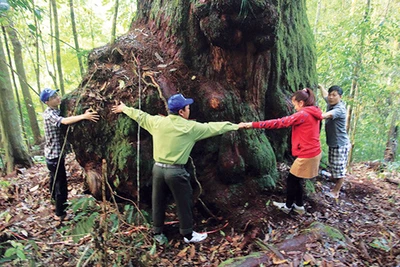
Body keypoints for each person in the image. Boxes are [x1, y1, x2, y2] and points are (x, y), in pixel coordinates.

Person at [111, 93, 239, 243]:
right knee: (184, 201)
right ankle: (188, 235)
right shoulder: (190, 128)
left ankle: (157, 232)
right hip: (175, 172)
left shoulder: (157, 122)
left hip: (158, 169)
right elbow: (213, 127)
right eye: (188, 108)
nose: (189, 110)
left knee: (157, 201)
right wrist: (237, 125)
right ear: (181, 112)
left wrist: (124, 108)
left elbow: (141, 116)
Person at [239, 88, 323, 215]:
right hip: (312, 152)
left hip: (307, 154)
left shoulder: (303, 114)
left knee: (291, 179)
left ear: (301, 103)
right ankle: (299, 206)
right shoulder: (313, 112)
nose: (294, 107)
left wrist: (253, 124)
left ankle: (288, 206)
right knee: (296, 179)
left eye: (294, 104)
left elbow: (279, 123)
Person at [40, 88, 99, 221]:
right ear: (47, 102)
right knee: (60, 183)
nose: (57, 97)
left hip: (55, 154)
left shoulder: (56, 110)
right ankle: (60, 214)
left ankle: (55, 203)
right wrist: (84, 116)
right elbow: (65, 121)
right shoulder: (49, 114)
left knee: (54, 181)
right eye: (53, 97)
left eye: (56, 95)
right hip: (54, 156)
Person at [318, 85, 350, 199]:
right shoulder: (331, 103)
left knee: (339, 169)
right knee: (333, 164)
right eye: (331, 94)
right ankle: (332, 177)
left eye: (334, 95)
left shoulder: (339, 108)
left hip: (339, 144)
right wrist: (320, 86)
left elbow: (326, 115)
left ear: (340, 97)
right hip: (334, 142)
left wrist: (312, 114)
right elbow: (325, 95)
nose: (331, 97)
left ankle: (336, 191)